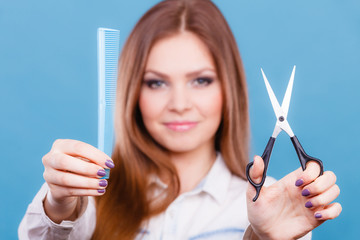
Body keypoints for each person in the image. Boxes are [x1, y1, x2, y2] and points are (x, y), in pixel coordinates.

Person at [19, 0, 342, 239]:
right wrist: (58, 205)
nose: (179, 104)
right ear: (133, 92)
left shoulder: (273, 202)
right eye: (156, 82)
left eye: (200, 80)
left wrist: (261, 238)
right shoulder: (87, 200)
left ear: (229, 90)